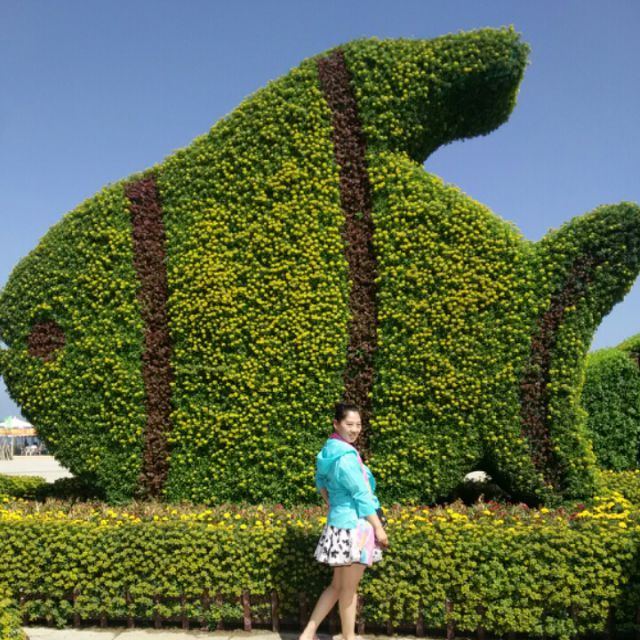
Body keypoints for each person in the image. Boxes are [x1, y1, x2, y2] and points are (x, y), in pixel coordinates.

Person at [299, 402, 389, 640]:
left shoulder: (329, 450)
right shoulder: (347, 458)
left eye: (358, 424)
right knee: (349, 590)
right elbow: (362, 496)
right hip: (355, 528)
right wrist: (379, 528)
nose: (355, 429)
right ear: (336, 424)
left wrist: (331, 502)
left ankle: (307, 634)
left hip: (339, 525)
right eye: (349, 424)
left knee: (337, 586)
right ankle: (349, 637)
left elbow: (320, 480)